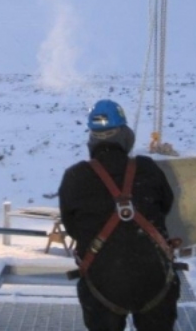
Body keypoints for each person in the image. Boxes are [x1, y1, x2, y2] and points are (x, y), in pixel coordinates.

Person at [58, 99, 180, 331]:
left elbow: (72, 227)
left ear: (92, 138)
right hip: (155, 281)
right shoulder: (147, 168)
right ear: (125, 135)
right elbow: (166, 205)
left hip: (101, 285)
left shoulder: (75, 177)